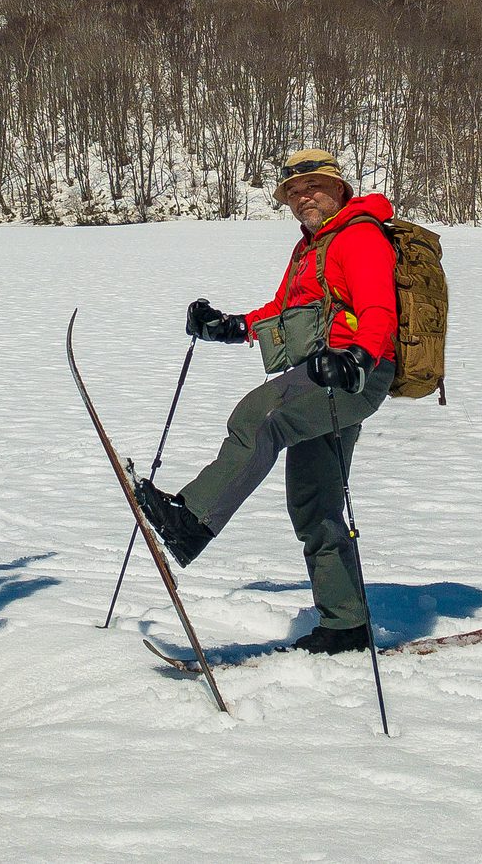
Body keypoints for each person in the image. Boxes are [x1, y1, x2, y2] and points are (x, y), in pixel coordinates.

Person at [136, 149, 398, 655]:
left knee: (261, 416)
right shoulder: (311, 248)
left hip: (350, 375)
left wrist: (357, 359)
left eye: (315, 187)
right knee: (315, 504)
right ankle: (345, 624)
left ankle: (191, 519)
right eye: (295, 193)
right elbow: (285, 309)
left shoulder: (360, 236)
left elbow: (378, 310)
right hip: (323, 372)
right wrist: (232, 327)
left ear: (339, 187)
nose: (305, 198)